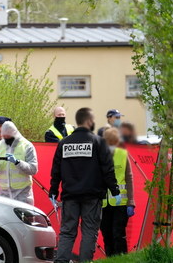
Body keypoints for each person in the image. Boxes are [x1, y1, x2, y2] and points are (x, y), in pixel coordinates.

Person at [49, 107, 121, 263]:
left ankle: (61, 261)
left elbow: (56, 170)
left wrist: (53, 191)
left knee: (67, 232)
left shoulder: (64, 143)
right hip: (92, 196)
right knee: (89, 232)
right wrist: (115, 190)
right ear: (89, 121)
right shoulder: (98, 142)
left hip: (70, 196)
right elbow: (107, 169)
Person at [100, 128, 136, 256]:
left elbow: (129, 177)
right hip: (103, 203)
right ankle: (111, 259)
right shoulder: (99, 155)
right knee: (107, 235)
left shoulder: (122, 154)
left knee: (118, 234)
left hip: (121, 203)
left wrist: (131, 202)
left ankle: (122, 259)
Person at [0, 121, 38, 205]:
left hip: (23, 195)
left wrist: (18, 162)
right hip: (4, 195)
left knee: (22, 218)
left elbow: (33, 169)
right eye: (4, 137)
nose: (6, 140)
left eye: (9, 137)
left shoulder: (27, 146)